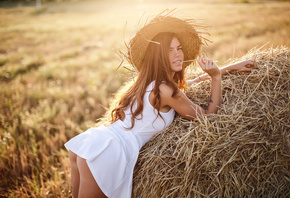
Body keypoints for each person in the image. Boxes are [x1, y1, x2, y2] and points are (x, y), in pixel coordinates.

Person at [65, 12, 256, 198]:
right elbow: (208, 117)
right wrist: (215, 77)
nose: (178, 55)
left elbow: (193, 80)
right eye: (170, 50)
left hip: (95, 140)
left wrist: (229, 68)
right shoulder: (165, 90)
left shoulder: (147, 83)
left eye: (179, 48)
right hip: (110, 150)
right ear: (158, 56)